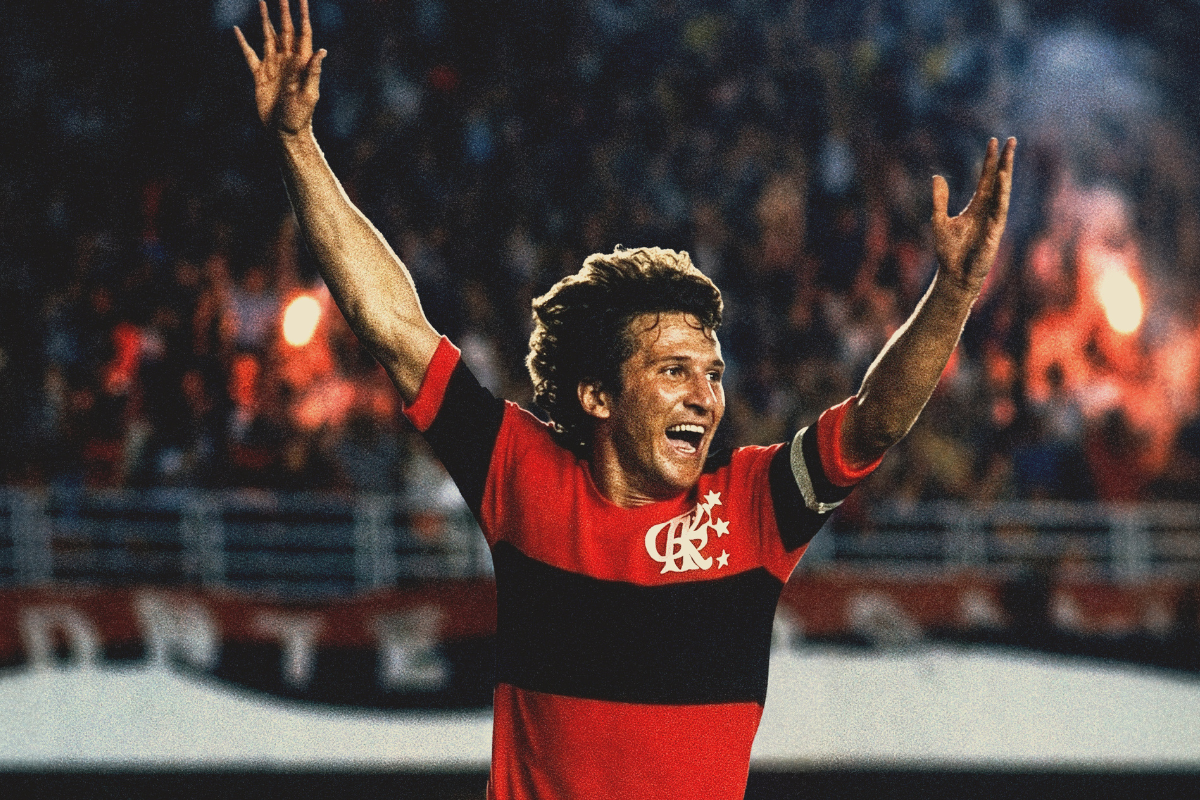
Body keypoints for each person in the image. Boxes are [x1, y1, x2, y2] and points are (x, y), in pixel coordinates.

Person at [235, 2, 1015, 797]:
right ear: (597, 394)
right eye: (674, 370)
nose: (705, 395)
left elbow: (875, 420)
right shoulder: (522, 474)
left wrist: (953, 292)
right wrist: (297, 142)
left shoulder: (752, 507)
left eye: (713, 373)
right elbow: (395, 328)